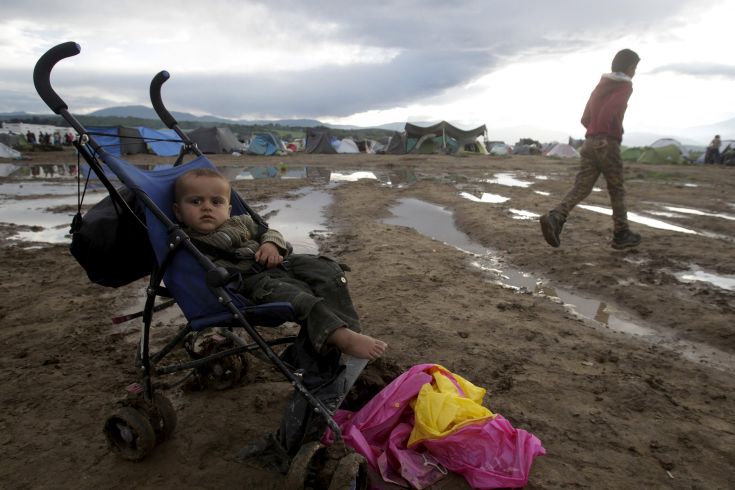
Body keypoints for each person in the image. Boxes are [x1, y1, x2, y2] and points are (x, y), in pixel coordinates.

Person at [172, 167, 388, 361]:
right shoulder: (188, 243)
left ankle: (348, 329)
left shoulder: (241, 222)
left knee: (327, 268)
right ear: (178, 212)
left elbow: (270, 232)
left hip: (279, 262)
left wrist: (271, 245)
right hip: (254, 281)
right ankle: (340, 337)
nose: (207, 208)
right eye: (196, 201)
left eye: (216, 202)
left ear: (228, 210)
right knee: (299, 296)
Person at [539, 48, 642, 250]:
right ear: (630, 67)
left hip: (589, 143)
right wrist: (603, 134)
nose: (635, 72)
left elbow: (585, 118)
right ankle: (621, 233)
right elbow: (612, 108)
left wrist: (594, 133)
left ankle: (556, 217)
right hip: (606, 143)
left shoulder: (601, 85)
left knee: (582, 186)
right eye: (635, 68)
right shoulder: (624, 86)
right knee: (616, 189)